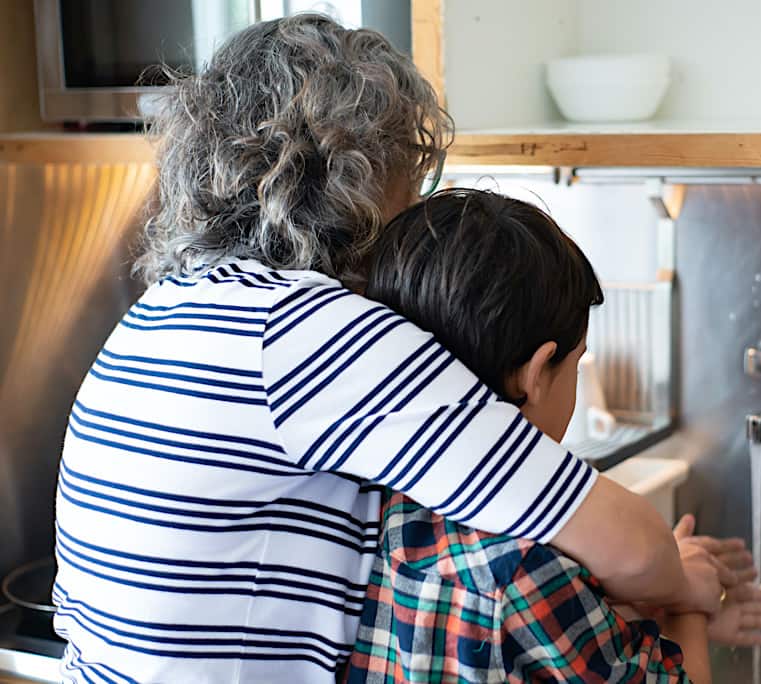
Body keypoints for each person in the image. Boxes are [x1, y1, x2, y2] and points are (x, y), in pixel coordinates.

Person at [53, 15, 721, 683]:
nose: (414, 207)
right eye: (411, 176)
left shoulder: (167, 309)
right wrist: (688, 593)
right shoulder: (302, 330)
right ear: (360, 178)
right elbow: (629, 545)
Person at [344, 189, 761, 683]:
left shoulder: (360, 498)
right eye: (575, 362)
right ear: (534, 375)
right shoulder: (525, 564)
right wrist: (690, 606)